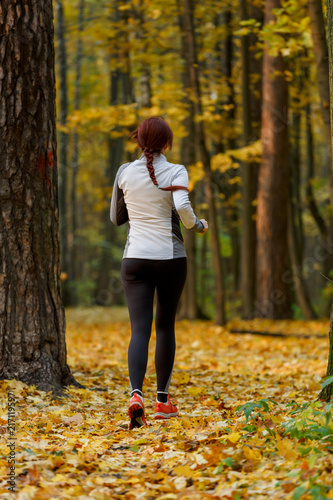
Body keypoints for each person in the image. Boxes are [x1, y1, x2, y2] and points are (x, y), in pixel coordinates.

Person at [110, 116, 208, 430]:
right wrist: (197, 225)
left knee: (140, 329)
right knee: (164, 327)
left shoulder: (125, 171)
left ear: (138, 141)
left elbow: (115, 217)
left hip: (135, 259)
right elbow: (182, 207)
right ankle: (162, 402)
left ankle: (135, 394)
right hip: (170, 259)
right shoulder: (176, 170)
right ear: (167, 142)